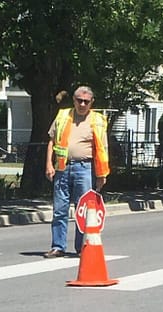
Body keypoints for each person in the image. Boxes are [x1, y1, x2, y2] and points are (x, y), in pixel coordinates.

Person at [44, 86, 110, 258]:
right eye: (79, 100)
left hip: (85, 168)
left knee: (84, 209)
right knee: (59, 209)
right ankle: (58, 246)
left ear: (91, 103)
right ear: (73, 100)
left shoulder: (98, 120)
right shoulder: (63, 116)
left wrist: (101, 175)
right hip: (62, 167)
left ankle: (82, 247)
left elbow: (103, 149)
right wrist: (49, 165)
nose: (82, 104)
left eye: (86, 101)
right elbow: (52, 141)